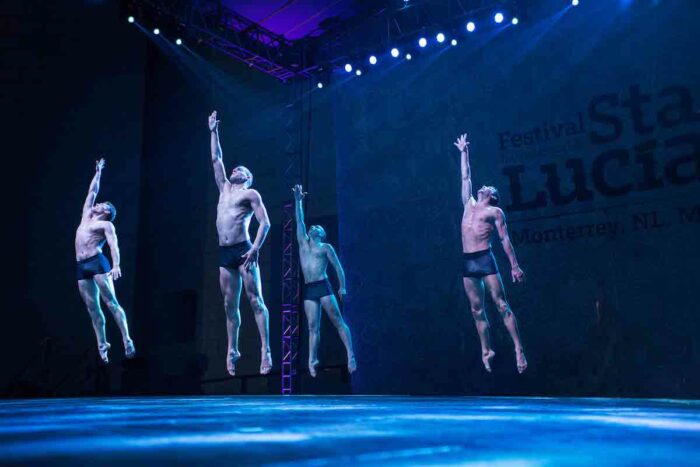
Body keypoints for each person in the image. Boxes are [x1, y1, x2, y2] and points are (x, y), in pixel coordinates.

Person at [454, 133, 527, 373]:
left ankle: (518, 349)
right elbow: (466, 176)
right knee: (476, 309)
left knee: (501, 305)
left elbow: (505, 239)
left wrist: (514, 266)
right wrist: (464, 152)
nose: (484, 186)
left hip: (485, 258)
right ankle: (486, 350)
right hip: (468, 262)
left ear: (493, 196)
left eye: (489, 188)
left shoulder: (495, 212)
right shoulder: (469, 203)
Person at [209, 111, 272, 376]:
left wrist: (255, 249)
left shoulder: (250, 193)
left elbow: (265, 222)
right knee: (228, 305)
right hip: (225, 253)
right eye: (235, 168)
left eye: (240, 169)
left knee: (255, 300)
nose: (235, 169)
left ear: (247, 178)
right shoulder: (223, 188)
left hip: (244, 250)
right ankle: (232, 350)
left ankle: (265, 349)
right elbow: (216, 158)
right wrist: (213, 131)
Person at [75, 158, 135, 364]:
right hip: (82, 266)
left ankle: (126, 338)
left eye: (103, 204)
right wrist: (98, 171)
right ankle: (103, 344)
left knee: (111, 303)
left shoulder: (106, 225)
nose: (98, 204)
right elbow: (92, 192)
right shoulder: (86, 216)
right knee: (93, 308)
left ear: (108, 212)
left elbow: (113, 245)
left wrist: (117, 265)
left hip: (97, 262)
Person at [293, 185, 356, 377]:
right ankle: (312, 360)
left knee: (337, 320)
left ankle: (350, 355)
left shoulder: (325, 247)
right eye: (313, 226)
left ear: (321, 234)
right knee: (313, 326)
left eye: (318, 227)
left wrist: (342, 287)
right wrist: (298, 200)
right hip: (310, 289)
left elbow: (338, 268)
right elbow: (300, 220)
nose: (314, 227)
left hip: (323, 285)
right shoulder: (303, 243)